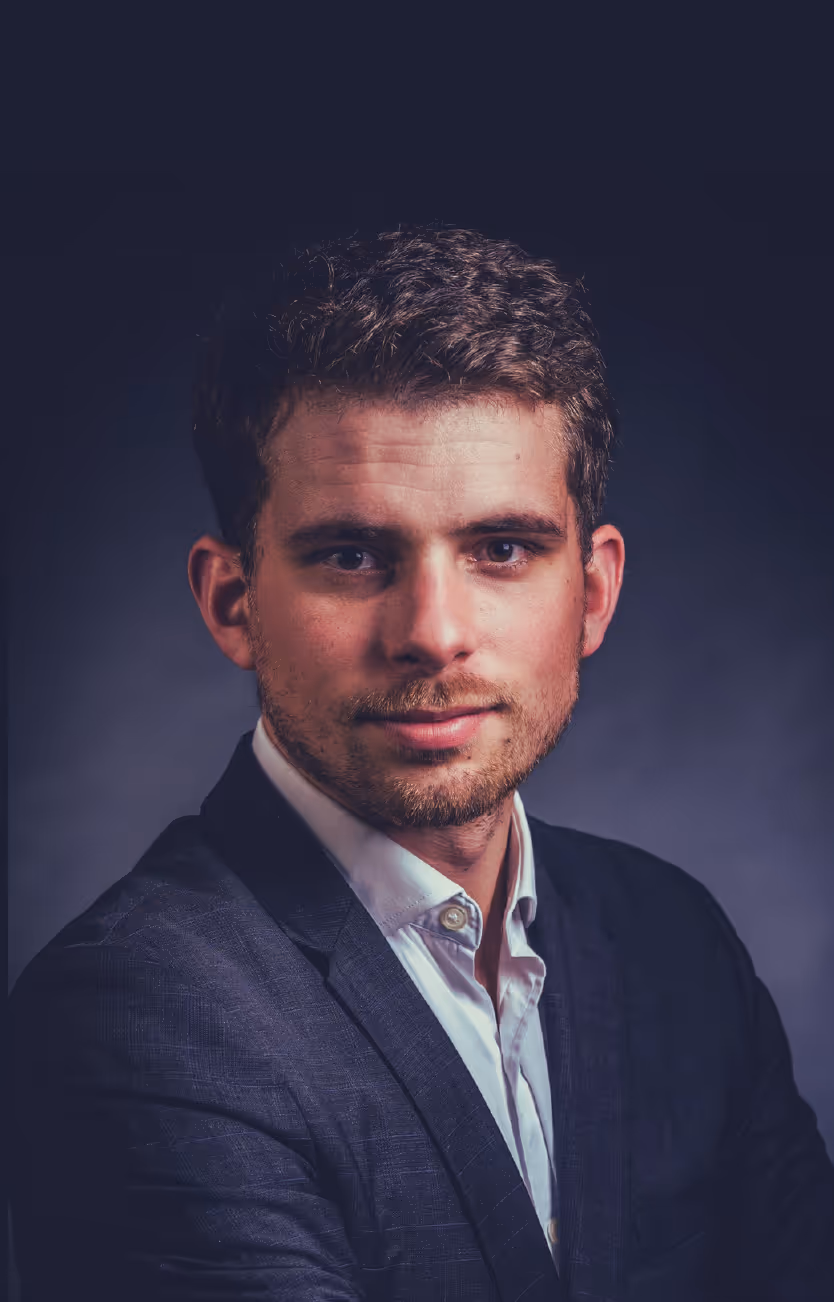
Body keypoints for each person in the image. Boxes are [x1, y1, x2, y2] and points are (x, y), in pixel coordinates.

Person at [9, 226, 834, 1301]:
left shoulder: (675, 939)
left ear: (591, 593)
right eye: (353, 555)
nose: (433, 633)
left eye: (501, 549)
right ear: (233, 602)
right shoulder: (135, 1012)